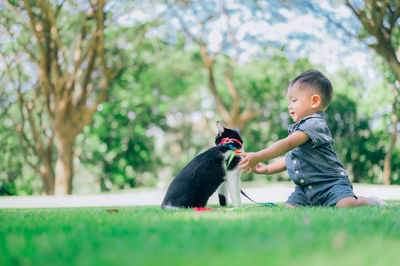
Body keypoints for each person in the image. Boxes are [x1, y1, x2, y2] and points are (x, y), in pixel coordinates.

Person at [239, 70, 386, 207]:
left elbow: (287, 144)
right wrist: (266, 169)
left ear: (314, 101)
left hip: (331, 184)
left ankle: (371, 201)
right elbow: (289, 158)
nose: (289, 106)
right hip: (305, 190)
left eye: (294, 100)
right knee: (289, 208)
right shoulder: (298, 130)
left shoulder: (315, 124)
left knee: (346, 204)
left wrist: (259, 156)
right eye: (289, 102)